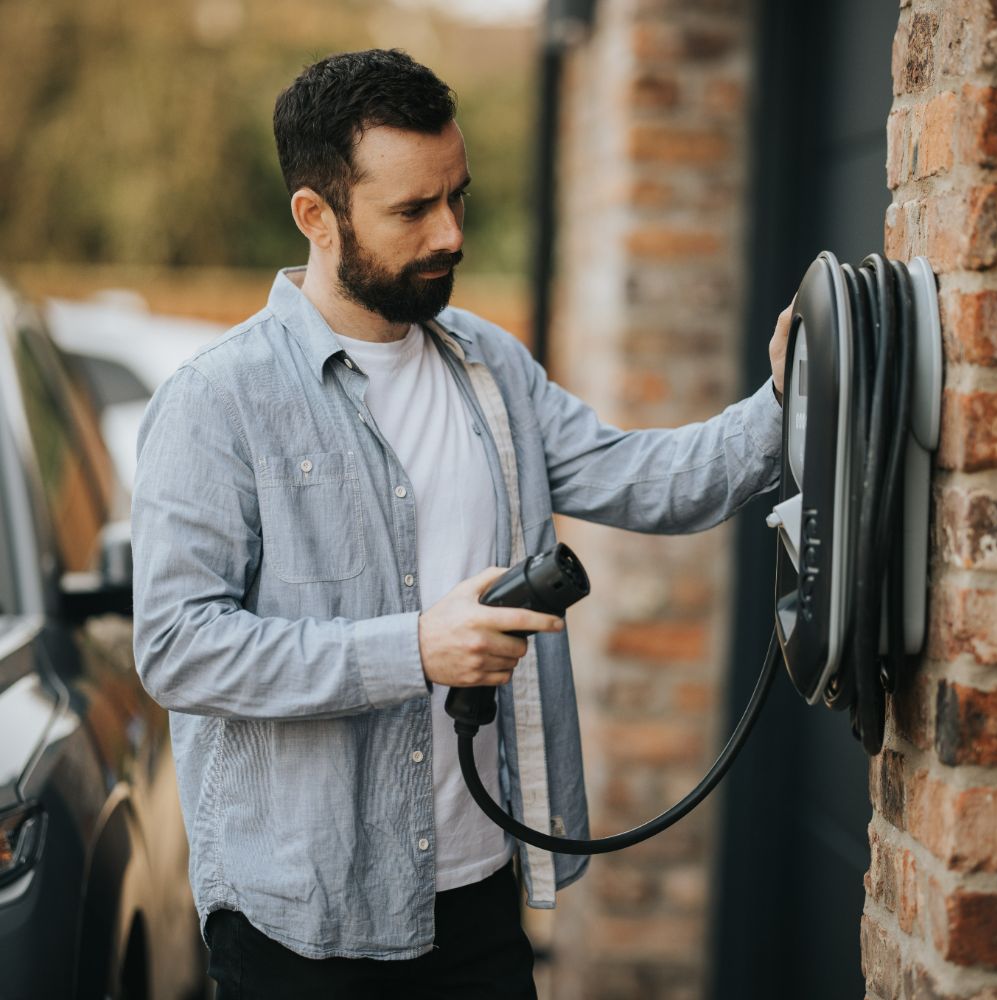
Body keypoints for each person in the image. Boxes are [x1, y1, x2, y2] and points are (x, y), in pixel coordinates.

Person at [131, 48, 791, 999]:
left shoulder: (490, 367)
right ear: (316, 216)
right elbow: (177, 648)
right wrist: (415, 648)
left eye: (459, 197)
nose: (449, 233)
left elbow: (655, 481)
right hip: (304, 929)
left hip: (478, 901)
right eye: (411, 211)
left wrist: (788, 397)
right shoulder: (217, 404)